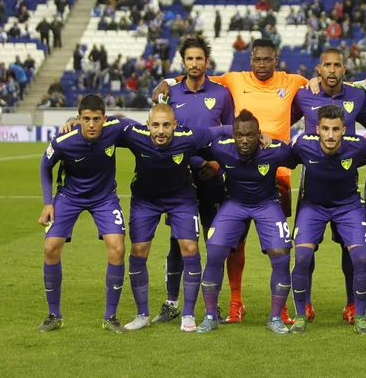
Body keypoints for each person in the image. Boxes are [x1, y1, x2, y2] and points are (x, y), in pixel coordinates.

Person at [152, 38, 308, 324]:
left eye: (267, 59)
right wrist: (163, 80)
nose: (262, 64)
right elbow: (190, 80)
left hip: (258, 176)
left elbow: (317, 94)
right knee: (200, 242)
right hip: (203, 174)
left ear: (276, 60)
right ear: (250, 59)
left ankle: (275, 305)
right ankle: (201, 302)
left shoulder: (291, 81)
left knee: (264, 245)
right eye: (257, 59)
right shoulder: (231, 81)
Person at [121, 104, 233, 332]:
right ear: (147, 125)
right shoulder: (134, 135)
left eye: (165, 125)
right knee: (138, 250)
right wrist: (73, 123)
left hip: (181, 200)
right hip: (145, 201)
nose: (160, 131)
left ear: (175, 125)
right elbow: (105, 125)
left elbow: (224, 130)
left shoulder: (190, 137)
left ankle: (188, 314)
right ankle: (142, 314)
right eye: (155, 125)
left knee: (190, 248)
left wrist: (260, 133)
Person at [152, 35, 235, 325]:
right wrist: (198, 161)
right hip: (180, 177)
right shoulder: (171, 94)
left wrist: (217, 164)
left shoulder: (222, 94)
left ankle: (213, 305)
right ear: (183, 62)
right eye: (190, 58)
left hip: (214, 177)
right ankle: (172, 302)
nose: (195, 63)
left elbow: (230, 134)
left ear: (206, 62)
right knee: (177, 243)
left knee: (216, 243)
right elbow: (164, 137)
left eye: (199, 58)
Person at [37, 94, 135, 333]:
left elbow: (140, 129)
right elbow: (45, 165)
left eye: (97, 119)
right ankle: (54, 315)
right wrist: (48, 203)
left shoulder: (115, 128)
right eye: (87, 119)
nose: (92, 124)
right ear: (79, 118)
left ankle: (110, 317)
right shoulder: (64, 140)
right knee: (51, 247)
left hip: (104, 198)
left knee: (118, 248)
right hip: (69, 196)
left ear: (105, 118)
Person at [290, 48, 366, 324]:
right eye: (327, 65)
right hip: (312, 193)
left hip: (347, 199)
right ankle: (305, 306)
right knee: (303, 254)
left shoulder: (358, 95)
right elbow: (282, 126)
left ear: (344, 69)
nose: (332, 70)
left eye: (338, 65)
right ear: (319, 68)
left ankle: (353, 306)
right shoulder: (303, 94)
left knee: (357, 255)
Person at [195, 110, 294, 334]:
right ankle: (210, 316)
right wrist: (205, 164)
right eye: (239, 135)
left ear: (259, 135)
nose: (244, 141)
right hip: (234, 204)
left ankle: (275, 318)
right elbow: (192, 146)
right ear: (233, 135)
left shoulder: (275, 150)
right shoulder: (221, 148)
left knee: (281, 254)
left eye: (250, 135)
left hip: (267, 204)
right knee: (215, 252)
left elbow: (297, 156)